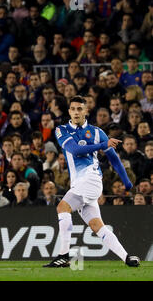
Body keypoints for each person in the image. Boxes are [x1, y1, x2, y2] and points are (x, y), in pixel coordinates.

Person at [44, 96, 140, 268]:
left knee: (62, 207)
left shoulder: (97, 132)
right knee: (97, 226)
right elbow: (75, 150)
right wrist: (102, 145)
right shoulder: (62, 130)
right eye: (73, 109)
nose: (76, 112)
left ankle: (63, 255)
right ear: (69, 112)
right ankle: (127, 258)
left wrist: (127, 182)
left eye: (79, 109)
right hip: (80, 183)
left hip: (91, 179)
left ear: (86, 111)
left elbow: (114, 159)